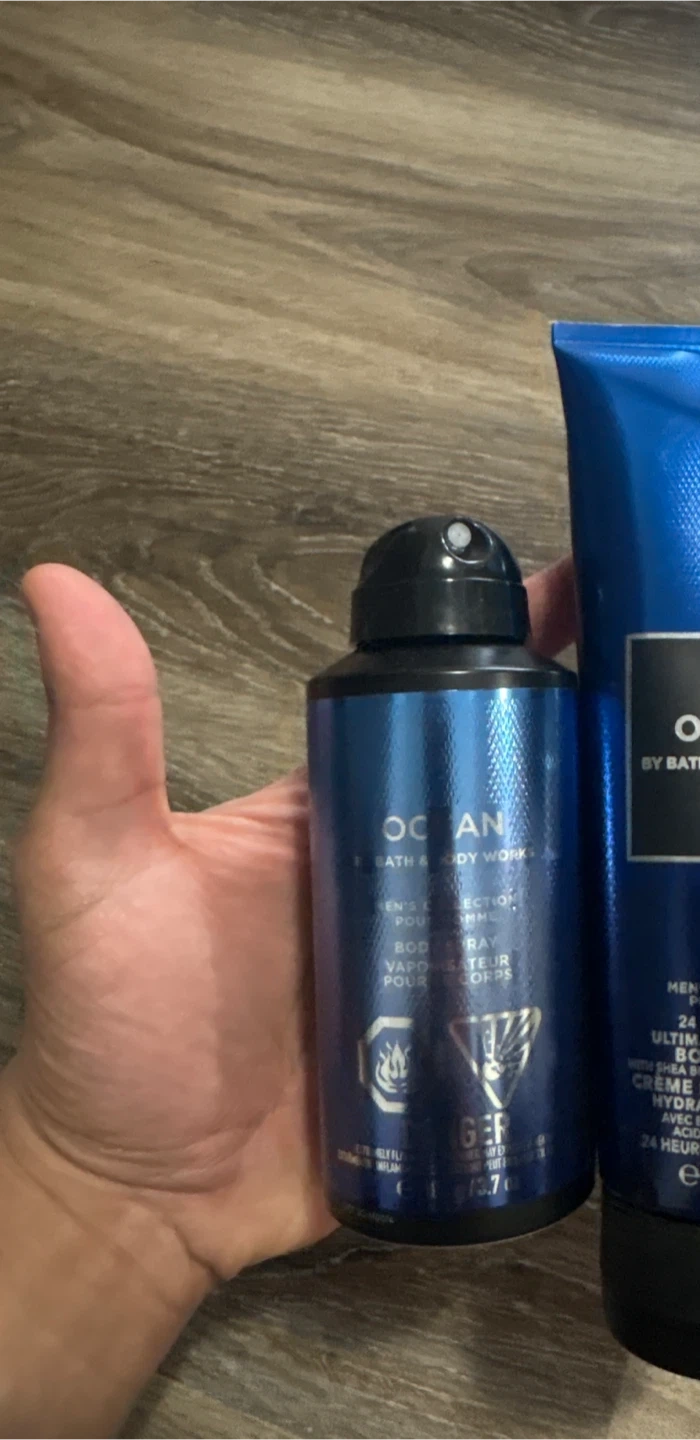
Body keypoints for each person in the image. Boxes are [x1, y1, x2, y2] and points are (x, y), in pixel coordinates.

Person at [0, 558, 577, 1440]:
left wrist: (91, 1190)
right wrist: (90, 1177)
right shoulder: (360, 699)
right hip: (352, 1152)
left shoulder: (508, 697)